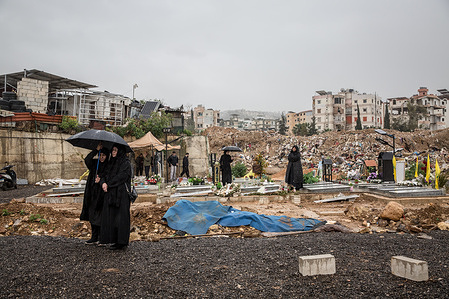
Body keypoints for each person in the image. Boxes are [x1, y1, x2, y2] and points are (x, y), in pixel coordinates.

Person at [100, 144, 132, 250]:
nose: (113, 152)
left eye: (115, 150)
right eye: (112, 150)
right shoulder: (111, 163)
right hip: (112, 194)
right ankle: (114, 240)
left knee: (121, 217)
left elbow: (121, 177)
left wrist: (109, 184)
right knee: (113, 217)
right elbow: (104, 174)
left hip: (122, 195)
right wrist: (103, 182)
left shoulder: (125, 163)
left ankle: (122, 241)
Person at [80, 144, 109, 245]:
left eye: (104, 156)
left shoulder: (108, 166)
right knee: (92, 214)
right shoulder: (94, 163)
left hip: (101, 194)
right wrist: (95, 151)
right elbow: (87, 159)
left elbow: (108, 177)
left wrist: (100, 180)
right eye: (100, 155)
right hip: (92, 192)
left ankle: (101, 237)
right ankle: (94, 236)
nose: (102, 158)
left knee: (99, 215)